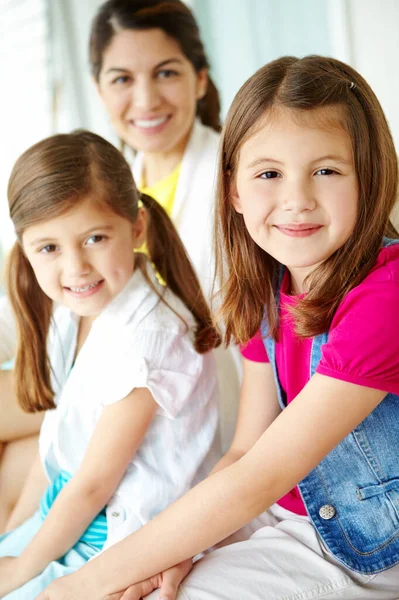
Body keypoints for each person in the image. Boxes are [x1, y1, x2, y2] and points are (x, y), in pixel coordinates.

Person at [38, 55, 399, 600]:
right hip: (285, 515)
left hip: (368, 549)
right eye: (269, 174)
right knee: (138, 579)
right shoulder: (269, 292)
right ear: (233, 189)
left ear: (368, 177)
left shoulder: (387, 296)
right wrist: (178, 554)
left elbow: (259, 477)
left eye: (325, 170)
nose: (296, 200)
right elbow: (243, 454)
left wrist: (77, 585)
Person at [0, 0, 240, 523]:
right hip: (100, 384)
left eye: (166, 73)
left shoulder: (239, 183)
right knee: (17, 459)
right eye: (122, 79)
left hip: (175, 400)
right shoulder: (110, 177)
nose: (146, 98)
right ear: (99, 88)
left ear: (200, 79)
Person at [0, 130, 220, 598]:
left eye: (95, 238)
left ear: (136, 228)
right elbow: (59, 445)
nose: (76, 266)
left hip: (115, 538)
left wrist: (21, 570)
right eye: (49, 248)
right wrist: (14, 542)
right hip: (66, 516)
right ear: (25, 248)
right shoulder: (70, 312)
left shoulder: (148, 336)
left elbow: (95, 485)